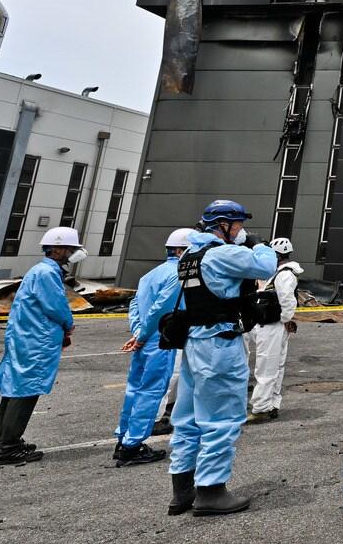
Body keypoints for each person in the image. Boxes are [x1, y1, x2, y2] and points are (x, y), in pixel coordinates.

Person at [126, 200, 278, 516]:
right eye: (236, 225)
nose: (240, 231)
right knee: (222, 418)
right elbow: (265, 267)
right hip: (219, 345)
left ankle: (182, 490)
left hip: (194, 344)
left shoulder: (189, 259)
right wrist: (260, 244)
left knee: (187, 419)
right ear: (223, 225)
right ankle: (211, 490)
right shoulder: (222, 253)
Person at [0, 226, 85, 466]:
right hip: (36, 340)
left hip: (27, 337)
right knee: (26, 391)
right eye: (71, 249)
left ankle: (3, 444)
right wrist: (68, 323)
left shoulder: (41, 270)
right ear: (58, 249)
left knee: (13, 390)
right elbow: (56, 305)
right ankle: (8, 447)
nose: (72, 254)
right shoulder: (46, 273)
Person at [112, 228, 191, 467]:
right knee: (151, 393)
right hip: (159, 341)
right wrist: (144, 335)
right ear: (180, 251)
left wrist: (138, 333)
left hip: (146, 341)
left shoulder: (150, 275)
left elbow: (135, 305)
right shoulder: (178, 275)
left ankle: (123, 438)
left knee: (134, 390)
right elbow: (160, 309)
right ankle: (132, 446)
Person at [244, 236, 302, 424]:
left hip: (272, 325)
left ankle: (261, 408)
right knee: (275, 366)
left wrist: (285, 318)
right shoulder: (279, 273)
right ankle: (271, 404)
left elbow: (287, 301)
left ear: (277, 256)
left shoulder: (284, 274)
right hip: (273, 324)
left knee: (266, 367)